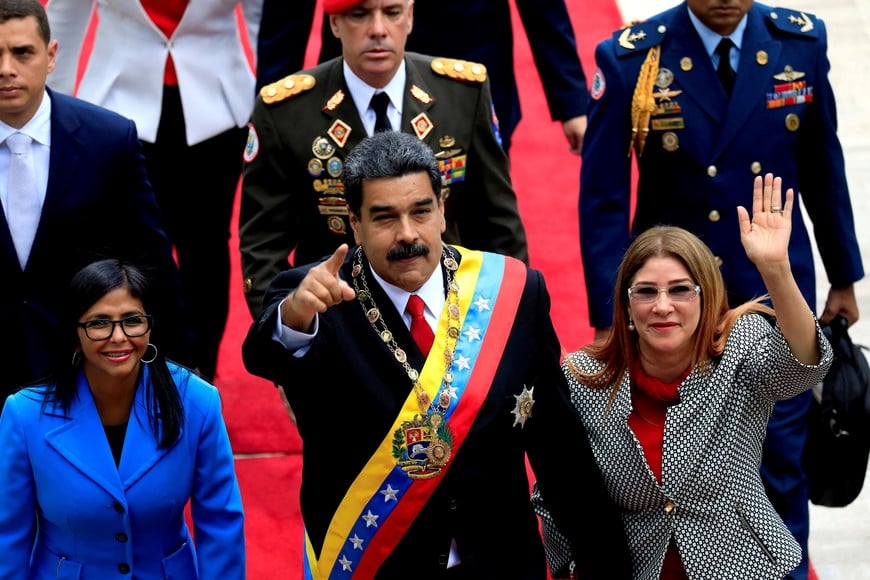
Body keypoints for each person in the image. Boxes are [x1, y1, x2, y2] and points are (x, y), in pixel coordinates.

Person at [241, 130, 630, 578]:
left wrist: (608, 565)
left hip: (498, 561)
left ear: (443, 211)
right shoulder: (318, 297)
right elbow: (263, 357)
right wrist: (294, 314)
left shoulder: (512, 292)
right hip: (376, 563)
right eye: (384, 217)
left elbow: (562, 454)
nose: (408, 235)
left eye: (421, 211)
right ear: (354, 221)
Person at [577, 2, 863, 576]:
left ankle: (782, 565)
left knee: (783, 451)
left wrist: (843, 275)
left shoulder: (798, 43)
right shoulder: (633, 56)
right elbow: (604, 196)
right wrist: (610, 312)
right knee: (688, 459)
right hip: (672, 302)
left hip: (773, 285)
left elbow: (822, 162)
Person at [536, 174, 833, 579]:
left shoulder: (741, 348)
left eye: (680, 290)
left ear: (705, 296)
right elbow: (558, 494)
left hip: (741, 565)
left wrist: (776, 269)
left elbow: (804, 365)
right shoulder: (584, 380)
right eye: (645, 292)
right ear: (625, 305)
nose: (662, 306)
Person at [239, 0, 529, 318]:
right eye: (359, 15)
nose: (378, 30)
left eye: (392, 12)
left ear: (410, 16)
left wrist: (504, 320)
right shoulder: (286, 113)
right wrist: (295, 321)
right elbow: (263, 247)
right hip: (338, 321)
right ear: (334, 24)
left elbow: (499, 226)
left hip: (448, 321)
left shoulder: (461, 95)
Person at [46, 0, 263, 381]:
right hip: (115, 104)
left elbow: (264, 16)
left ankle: (198, 382)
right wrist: (51, 112)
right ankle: (131, 377)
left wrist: (274, 102)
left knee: (206, 247)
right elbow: (66, 14)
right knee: (125, 251)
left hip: (220, 108)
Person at [0, 0, 192, 410]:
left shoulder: (108, 140)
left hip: (85, 370)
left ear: (51, 56)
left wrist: (176, 374)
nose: (6, 69)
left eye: (22, 52)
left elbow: (153, 262)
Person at [0, 258, 245, 578]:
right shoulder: (24, 415)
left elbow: (220, 525)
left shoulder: (198, 403)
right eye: (99, 323)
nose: (118, 336)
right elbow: (8, 539)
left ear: (150, 326)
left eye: (132, 320)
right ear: (75, 334)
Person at [254, 0, 590, 155]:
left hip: (467, 77)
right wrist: (274, 110)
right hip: (357, 77)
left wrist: (571, 97)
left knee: (472, 225)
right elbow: (285, 16)